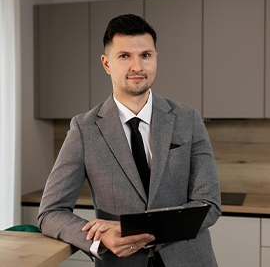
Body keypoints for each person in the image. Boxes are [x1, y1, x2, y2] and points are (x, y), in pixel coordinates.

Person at [38, 14, 221, 267]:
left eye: (145, 55)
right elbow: (50, 213)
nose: (137, 66)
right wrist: (101, 237)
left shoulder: (188, 118)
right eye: (125, 56)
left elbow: (209, 204)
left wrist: (129, 227)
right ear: (106, 64)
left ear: (156, 58)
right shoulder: (84, 129)